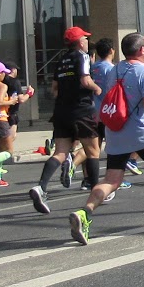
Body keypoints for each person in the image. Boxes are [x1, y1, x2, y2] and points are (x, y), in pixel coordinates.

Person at [70, 33, 144, 243]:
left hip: (115, 131)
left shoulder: (114, 70)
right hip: (142, 132)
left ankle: (84, 212)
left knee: (111, 180)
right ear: (141, 49)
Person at [32, 26, 105, 215]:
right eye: (85, 38)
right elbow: (85, 81)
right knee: (93, 151)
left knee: (60, 152)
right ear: (80, 42)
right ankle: (96, 191)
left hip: (61, 111)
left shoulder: (61, 60)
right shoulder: (82, 57)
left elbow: (54, 89)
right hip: (82, 110)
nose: (87, 41)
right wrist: (97, 89)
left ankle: (41, 187)